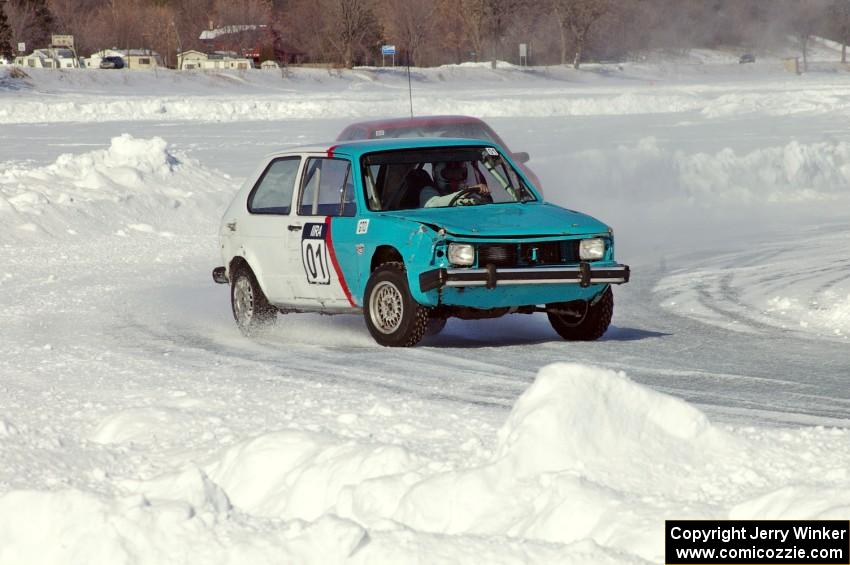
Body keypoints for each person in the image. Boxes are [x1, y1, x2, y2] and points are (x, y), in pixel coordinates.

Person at [419, 161, 490, 208]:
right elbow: (432, 204)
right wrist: (466, 193)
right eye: (449, 172)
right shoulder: (427, 191)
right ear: (437, 173)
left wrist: (480, 195)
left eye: (459, 172)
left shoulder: (468, 191)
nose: (456, 176)